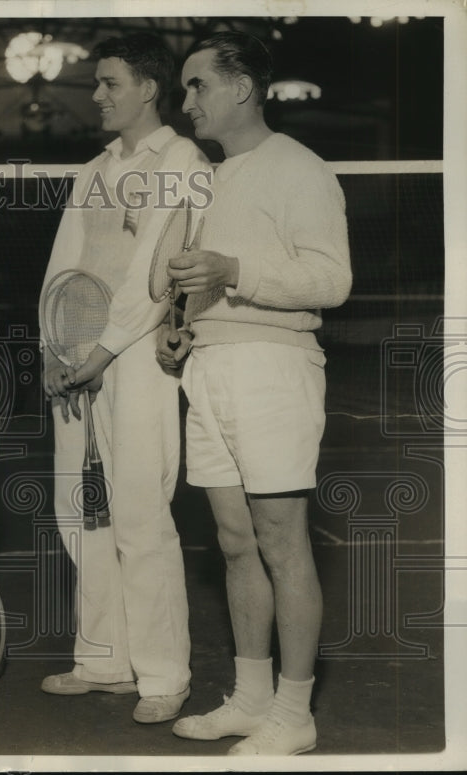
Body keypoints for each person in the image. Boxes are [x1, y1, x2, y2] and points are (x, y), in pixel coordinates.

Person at [159, 31, 352, 755]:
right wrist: (180, 329)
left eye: (197, 85)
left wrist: (232, 268)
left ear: (241, 88)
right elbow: (206, 282)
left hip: (275, 370)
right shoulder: (212, 178)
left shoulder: (299, 168)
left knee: (281, 543)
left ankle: (295, 714)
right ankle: (251, 697)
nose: (187, 102)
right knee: (236, 543)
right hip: (210, 369)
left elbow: (332, 280)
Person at [39, 33, 211, 725]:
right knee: (79, 513)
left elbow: (153, 279)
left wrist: (101, 353)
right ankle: (102, 657)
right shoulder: (93, 168)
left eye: (109, 82)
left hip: (137, 358)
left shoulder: (184, 162)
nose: (97, 95)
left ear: (148, 87)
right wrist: (57, 349)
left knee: (141, 515)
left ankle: (164, 673)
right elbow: (63, 267)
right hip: (77, 358)